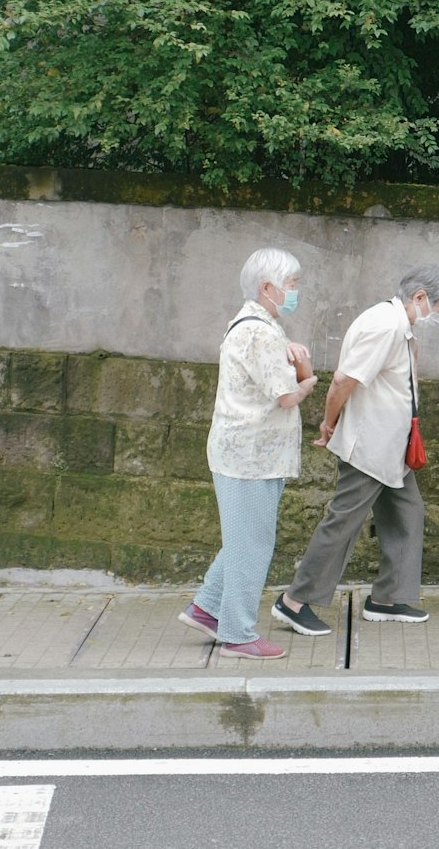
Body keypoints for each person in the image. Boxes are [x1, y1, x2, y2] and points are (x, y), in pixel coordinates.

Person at [271, 263, 439, 637]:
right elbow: (343, 380)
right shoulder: (385, 326)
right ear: (420, 297)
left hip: (390, 448)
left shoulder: (395, 324)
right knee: (343, 522)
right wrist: (329, 422)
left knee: (408, 513)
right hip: (370, 447)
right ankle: (293, 602)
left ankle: (387, 599)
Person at [178, 247, 318, 659]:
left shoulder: (258, 327)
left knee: (244, 538)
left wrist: (293, 356)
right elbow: (287, 394)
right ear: (267, 287)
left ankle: (206, 609)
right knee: (251, 544)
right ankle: (237, 633)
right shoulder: (258, 331)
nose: (295, 292)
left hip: (249, 454)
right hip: (249, 456)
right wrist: (308, 379)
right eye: (291, 285)